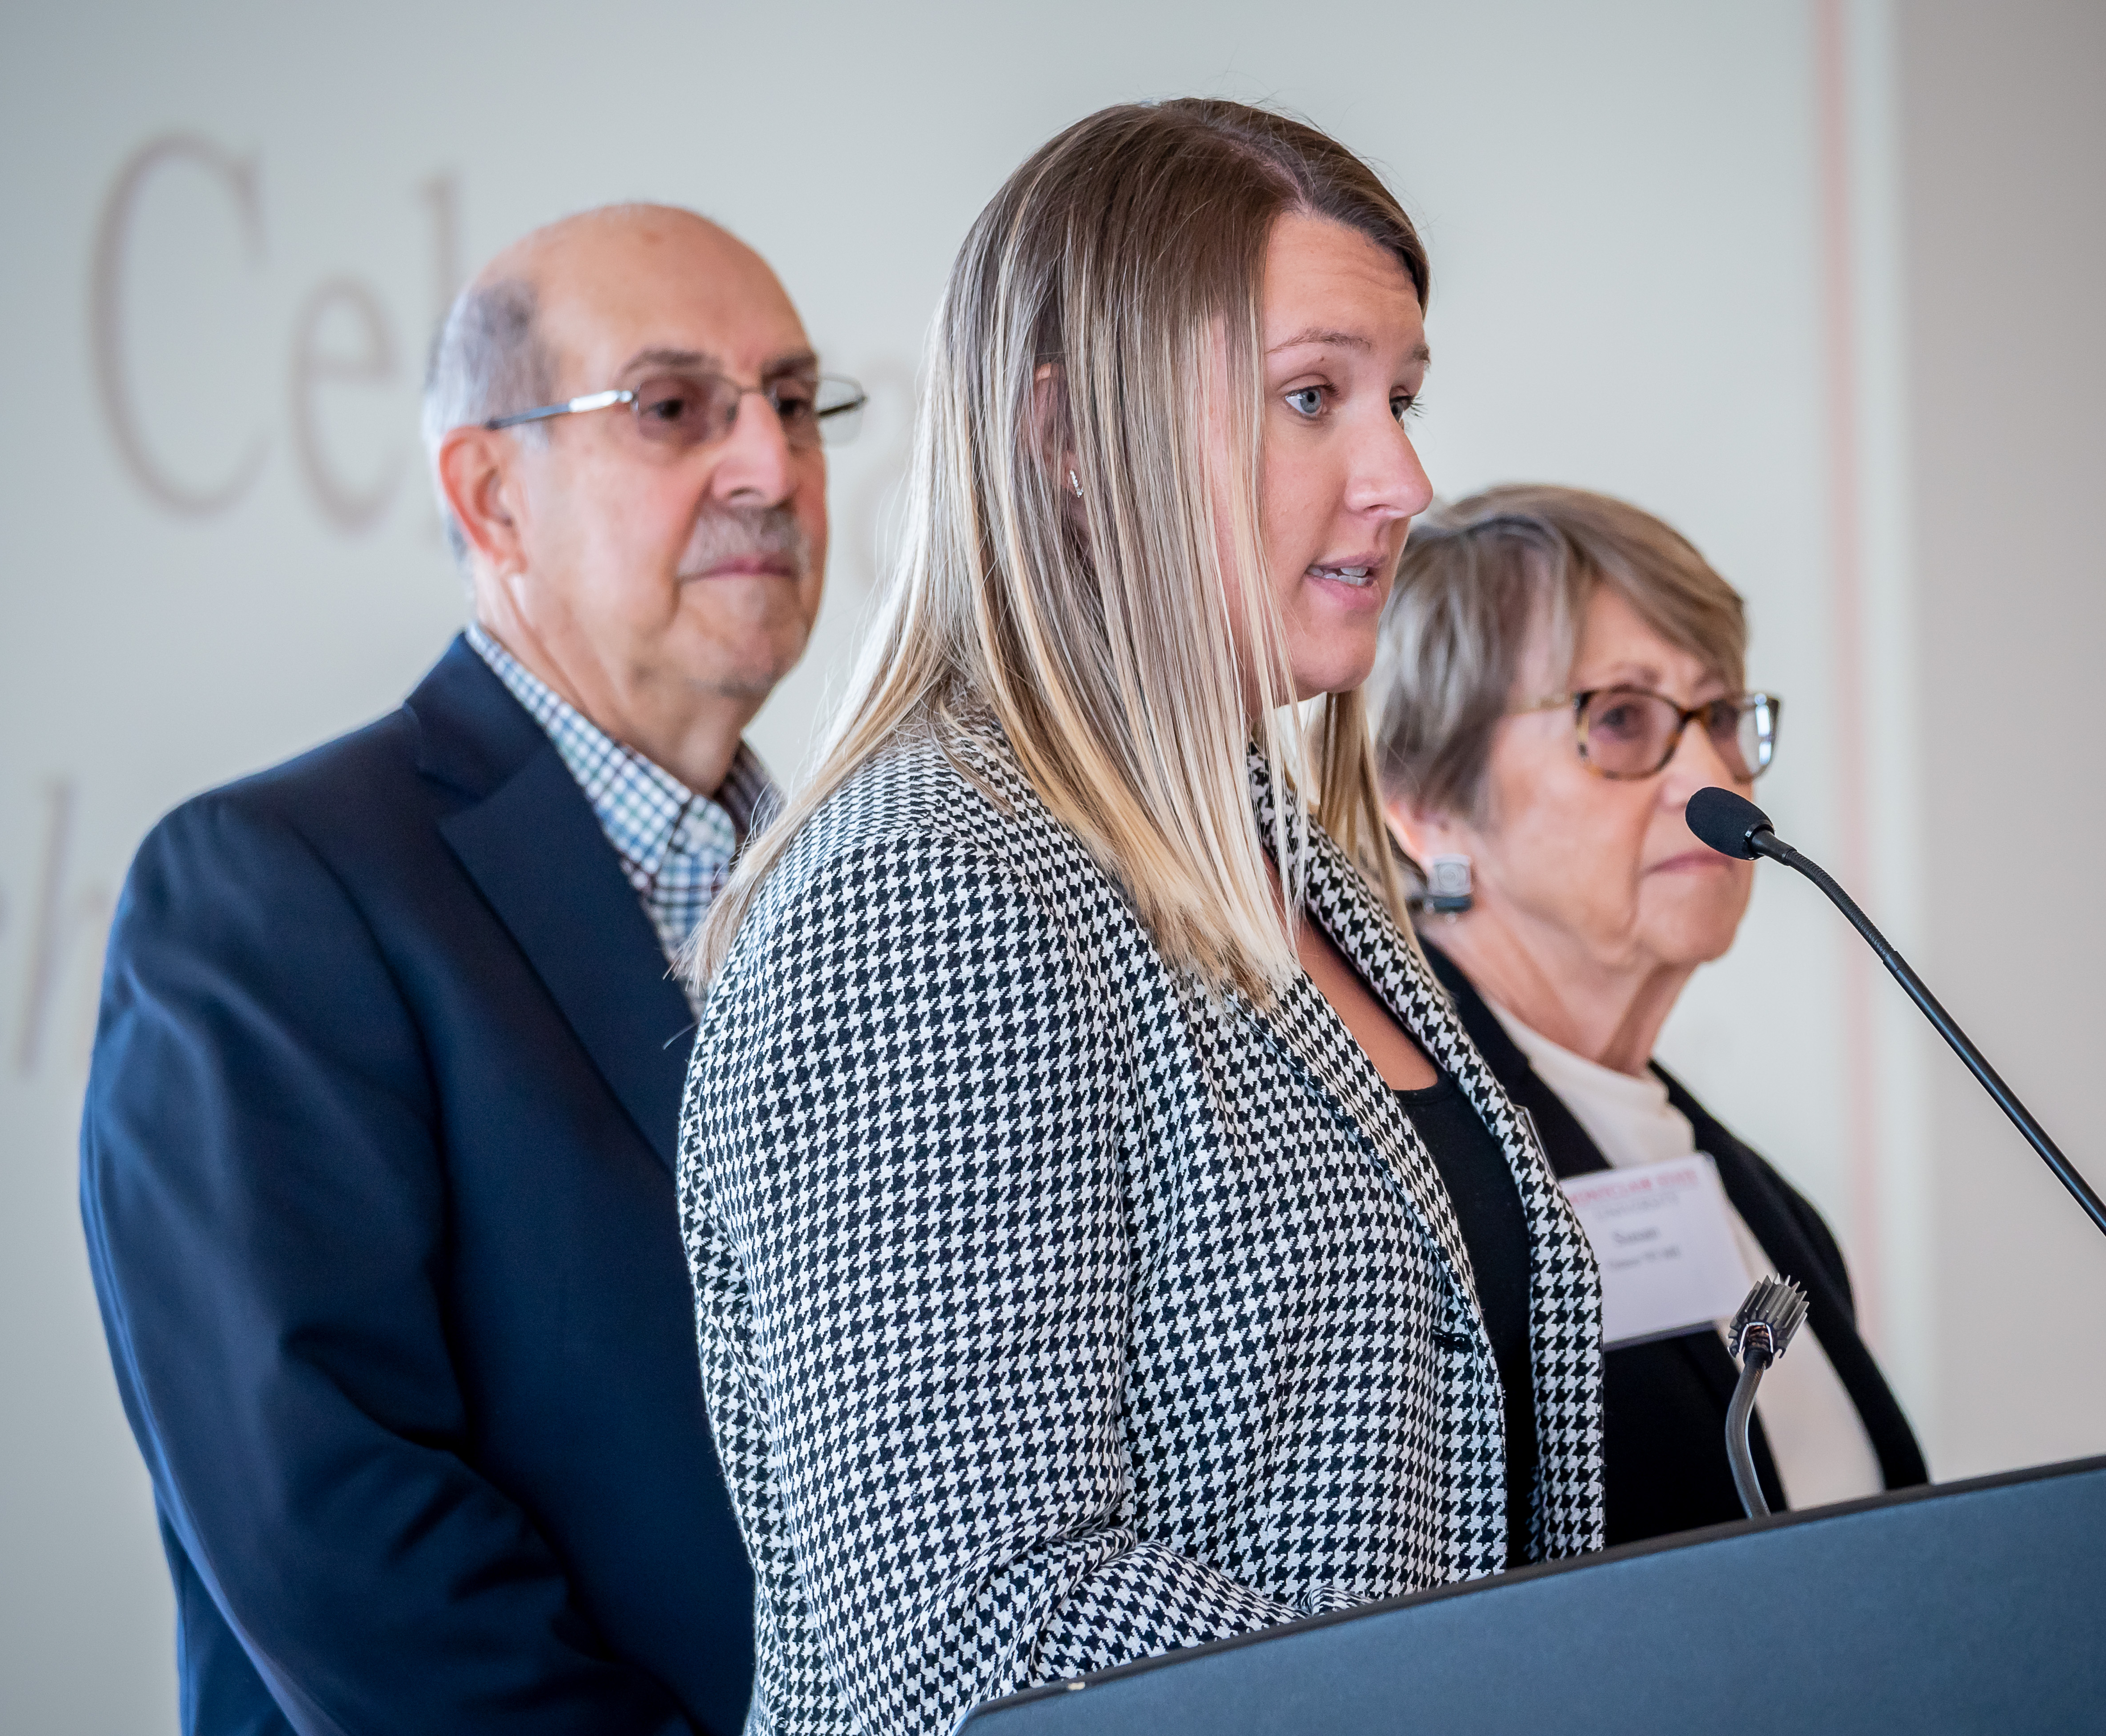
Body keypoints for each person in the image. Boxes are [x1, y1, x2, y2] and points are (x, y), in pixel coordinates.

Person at [676, 101, 1605, 1736]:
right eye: (1312, 397)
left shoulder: (1285, 868)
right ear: (1069, 438)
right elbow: (983, 1627)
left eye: (1401, 399)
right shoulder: (931, 890)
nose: (1403, 479)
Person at [79, 204, 862, 1735]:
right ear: (492, 496)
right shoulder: (270, 889)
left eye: (793, 399)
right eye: (673, 409)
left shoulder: (868, 889)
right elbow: (341, 1529)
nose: (768, 464)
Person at [1373, 484, 1927, 1544]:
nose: (1712, 776)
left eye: (1722, 718)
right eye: (1622, 718)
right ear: (1426, 800)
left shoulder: (1777, 1212)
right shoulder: (1404, 1194)